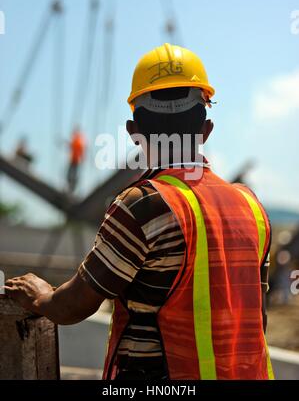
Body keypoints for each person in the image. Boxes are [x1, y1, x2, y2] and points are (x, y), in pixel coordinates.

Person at [3, 43, 273, 380]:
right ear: (206, 131)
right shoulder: (252, 208)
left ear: (134, 134)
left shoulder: (142, 205)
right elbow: (257, 314)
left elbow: (74, 305)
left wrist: (42, 297)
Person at [66, 127, 86, 193]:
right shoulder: (77, 141)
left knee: (72, 175)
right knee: (71, 175)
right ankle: (71, 188)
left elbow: (80, 150)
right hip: (74, 160)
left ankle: (71, 188)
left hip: (75, 160)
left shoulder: (78, 141)